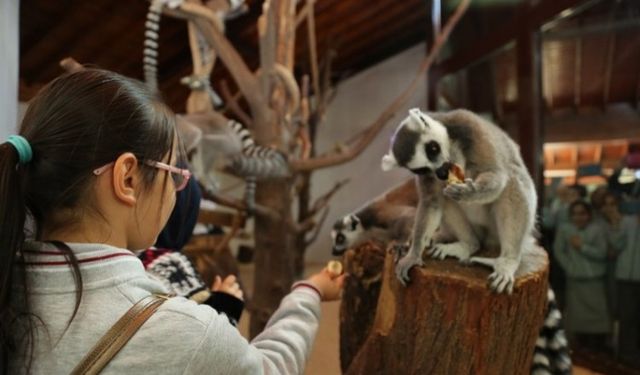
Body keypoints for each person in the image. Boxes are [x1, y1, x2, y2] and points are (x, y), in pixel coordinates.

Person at [1, 69, 345, 375]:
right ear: (128, 179)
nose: (177, 190)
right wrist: (308, 293)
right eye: (175, 174)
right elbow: (273, 367)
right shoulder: (183, 332)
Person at [553, 200, 611, 352]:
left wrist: (582, 247)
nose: (578, 217)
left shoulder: (598, 230)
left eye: (582, 214)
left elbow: (602, 253)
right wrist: (570, 268)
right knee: (578, 323)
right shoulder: (565, 230)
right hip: (575, 282)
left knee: (599, 322)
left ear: (589, 215)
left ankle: (598, 355)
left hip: (595, 282)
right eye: (575, 214)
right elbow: (559, 251)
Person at [603, 194, 640, 366]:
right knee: (627, 317)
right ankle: (627, 355)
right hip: (625, 276)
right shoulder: (628, 221)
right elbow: (616, 244)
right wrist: (616, 224)